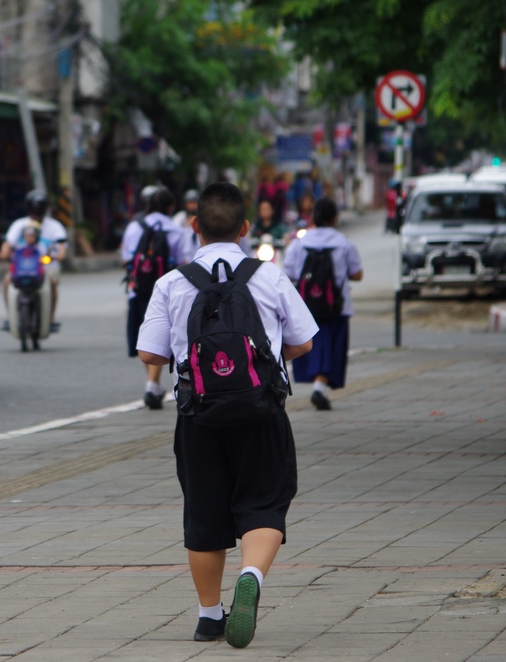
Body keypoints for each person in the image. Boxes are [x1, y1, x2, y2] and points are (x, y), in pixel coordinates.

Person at [136, 181, 317, 648]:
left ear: (194, 226)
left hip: (197, 416)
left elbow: (149, 355)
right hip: (261, 413)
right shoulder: (269, 276)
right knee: (264, 500)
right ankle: (252, 575)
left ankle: (208, 617)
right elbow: (303, 341)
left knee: (204, 514)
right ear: (244, 227)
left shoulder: (171, 283)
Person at [282, 197, 363, 410]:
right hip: (336, 306)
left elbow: (289, 272)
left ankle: (317, 385)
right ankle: (319, 387)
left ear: (314, 217)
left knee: (314, 345)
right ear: (335, 218)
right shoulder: (344, 242)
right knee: (333, 347)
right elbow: (357, 273)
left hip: (307, 306)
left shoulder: (300, 243)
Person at [121, 186, 188, 409]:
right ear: (171, 207)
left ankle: (152, 383)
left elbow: (126, 259)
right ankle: (153, 383)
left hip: (138, 289)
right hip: (167, 290)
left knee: (146, 332)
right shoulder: (176, 230)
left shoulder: (134, 227)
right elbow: (182, 262)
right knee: (164, 331)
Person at [0, 190, 68, 332]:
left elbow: (61, 246)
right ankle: (9, 316)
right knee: (7, 281)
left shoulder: (55, 227)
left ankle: (51, 318)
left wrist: (59, 254)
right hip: (22, 266)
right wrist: (5, 253)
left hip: (46, 266)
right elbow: (7, 244)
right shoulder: (19, 225)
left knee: (52, 283)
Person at [173, 188, 201, 263]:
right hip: (180, 261)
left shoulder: (203, 219)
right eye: (190, 203)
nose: (192, 206)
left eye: (194, 203)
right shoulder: (179, 218)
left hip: (199, 259)